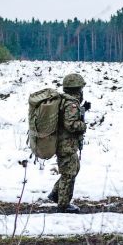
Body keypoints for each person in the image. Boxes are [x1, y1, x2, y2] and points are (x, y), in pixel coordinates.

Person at [46, 73, 90, 213]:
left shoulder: (66, 101)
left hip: (65, 144)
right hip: (66, 145)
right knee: (68, 174)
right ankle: (63, 205)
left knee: (74, 168)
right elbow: (70, 124)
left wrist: (83, 109)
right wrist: (83, 126)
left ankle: (55, 194)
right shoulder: (71, 104)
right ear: (77, 89)